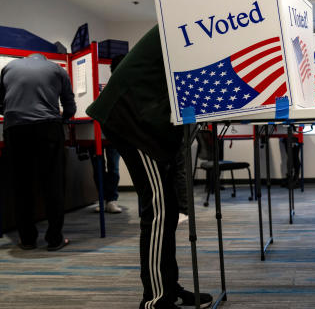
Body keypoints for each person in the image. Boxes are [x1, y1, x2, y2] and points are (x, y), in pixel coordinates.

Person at [86, 26, 213, 309]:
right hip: (135, 123)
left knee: (166, 213)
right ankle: (156, 299)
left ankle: (167, 285)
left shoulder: (200, 25)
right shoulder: (193, 22)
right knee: (158, 212)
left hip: (146, 121)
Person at [0, 53, 76, 251]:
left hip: (15, 128)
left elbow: (1, 103)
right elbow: (70, 106)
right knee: (53, 182)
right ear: (45, 59)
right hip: (48, 127)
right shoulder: (58, 70)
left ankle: (27, 239)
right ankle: (54, 239)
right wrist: (63, 116)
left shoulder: (8, 68)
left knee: (21, 184)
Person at [92, 54, 126, 214]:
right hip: (94, 132)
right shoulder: (99, 85)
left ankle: (111, 200)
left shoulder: (117, 84)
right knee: (98, 168)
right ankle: (103, 199)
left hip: (112, 131)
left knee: (113, 168)